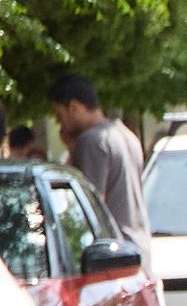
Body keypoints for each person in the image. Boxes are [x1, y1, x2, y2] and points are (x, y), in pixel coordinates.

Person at [49, 77, 149, 243]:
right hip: (138, 243)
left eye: (59, 114)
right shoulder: (125, 134)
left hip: (112, 250)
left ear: (74, 107)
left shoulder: (92, 141)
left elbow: (88, 205)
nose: (58, 122)